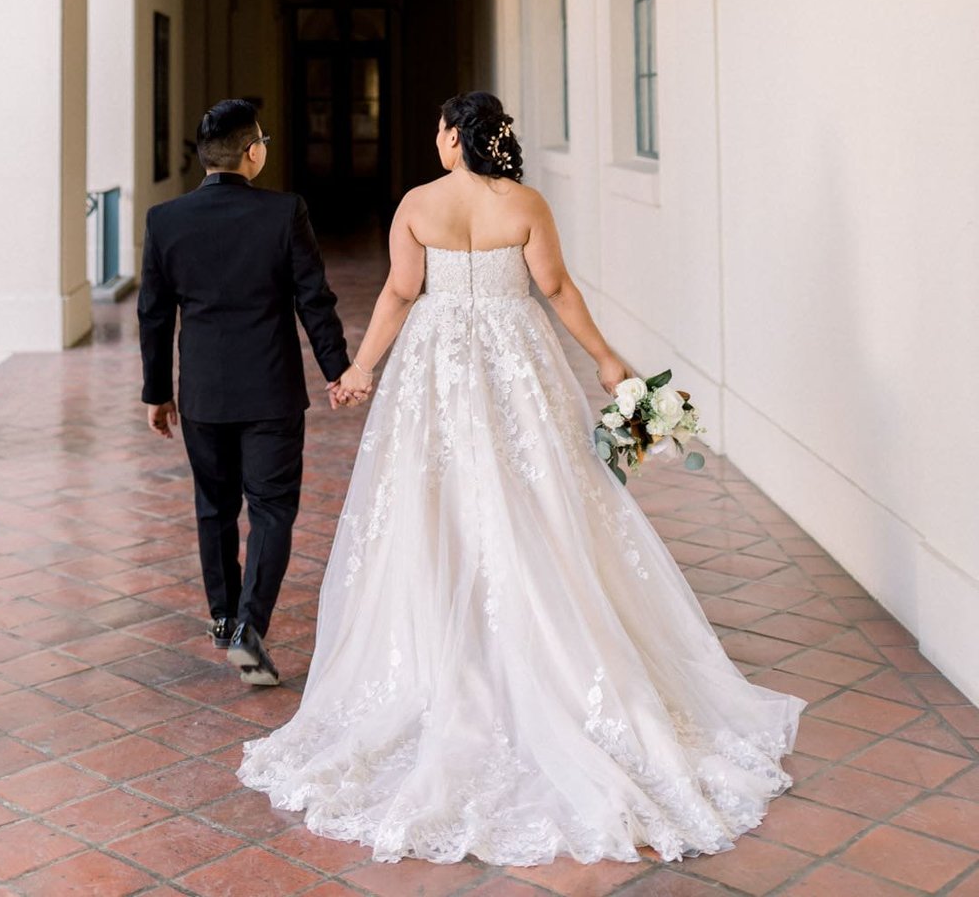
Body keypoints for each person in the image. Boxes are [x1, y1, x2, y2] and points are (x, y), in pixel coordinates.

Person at [237, 91, 806, 866]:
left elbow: (403, 293)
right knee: (539, 499)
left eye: (439, 131)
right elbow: (558, 289)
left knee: (437, 505)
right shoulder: (525, 202)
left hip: (435, 369)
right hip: (515, 366)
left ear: (450, 138)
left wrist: (362, 371)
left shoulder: (417, 204)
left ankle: (454, 649)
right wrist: (608, 361)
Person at [137, 97, 351, 688]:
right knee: (273, 508)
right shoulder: (284, 213)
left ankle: (224, 616)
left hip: (202, 393)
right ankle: (249, 629)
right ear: (252, 152)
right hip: (271, 392)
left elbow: (153, 315)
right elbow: (315, 298)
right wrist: (337, 368)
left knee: (214, 506)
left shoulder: (165, 220)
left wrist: (158, 391)